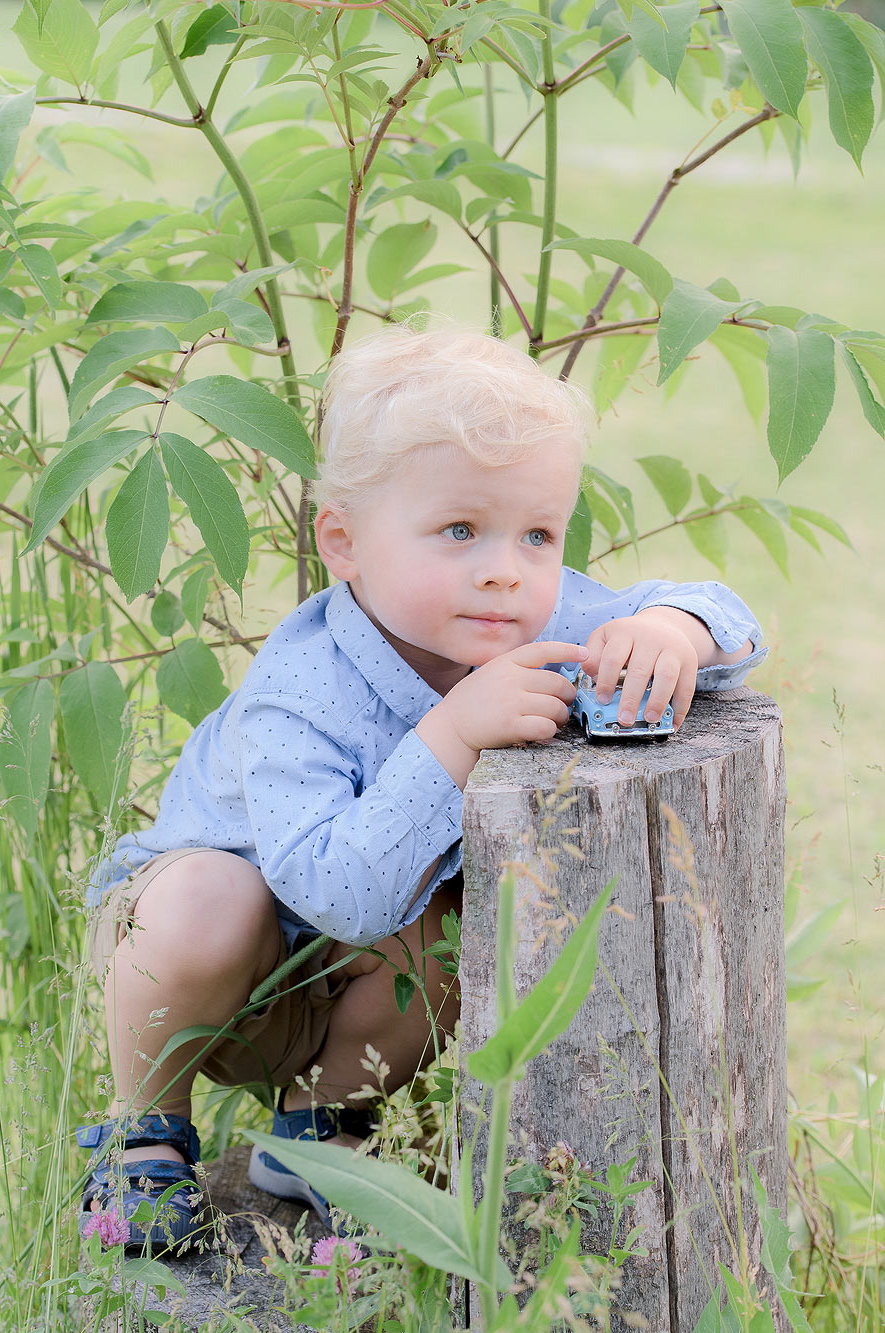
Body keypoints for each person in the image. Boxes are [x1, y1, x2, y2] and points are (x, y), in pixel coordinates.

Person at [76, 328, 765, 1249]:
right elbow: (336, 896)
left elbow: (733, 623)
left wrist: (673, 630)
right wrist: (450, 735)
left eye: (538, 533)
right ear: (344, 541)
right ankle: (143, 1131)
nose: (503, 568)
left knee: (463, 910)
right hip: (213, 976)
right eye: (458, 530)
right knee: (209, 895)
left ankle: (321, 1125)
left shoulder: (527, 607)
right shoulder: (301, 691)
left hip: (360, 991)